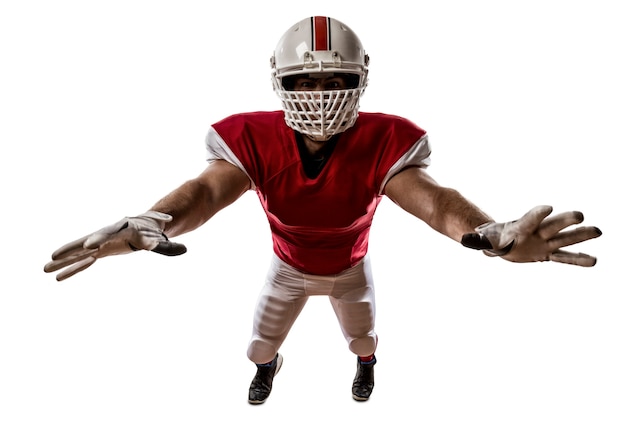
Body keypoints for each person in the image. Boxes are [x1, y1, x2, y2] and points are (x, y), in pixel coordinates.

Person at [44, 16, 602, 404]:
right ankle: (271, 371)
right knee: (259, 347)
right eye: (305, 80)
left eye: (334, 80)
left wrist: (485, 230)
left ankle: (365, 367)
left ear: (360, 79)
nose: (319, 92)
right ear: (279, 81)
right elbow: (207, 191)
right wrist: (155, 219)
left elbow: (432, 202)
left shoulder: (385, 140)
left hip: (349, 271)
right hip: (286, 270)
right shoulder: (252, 139)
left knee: (362, 340)